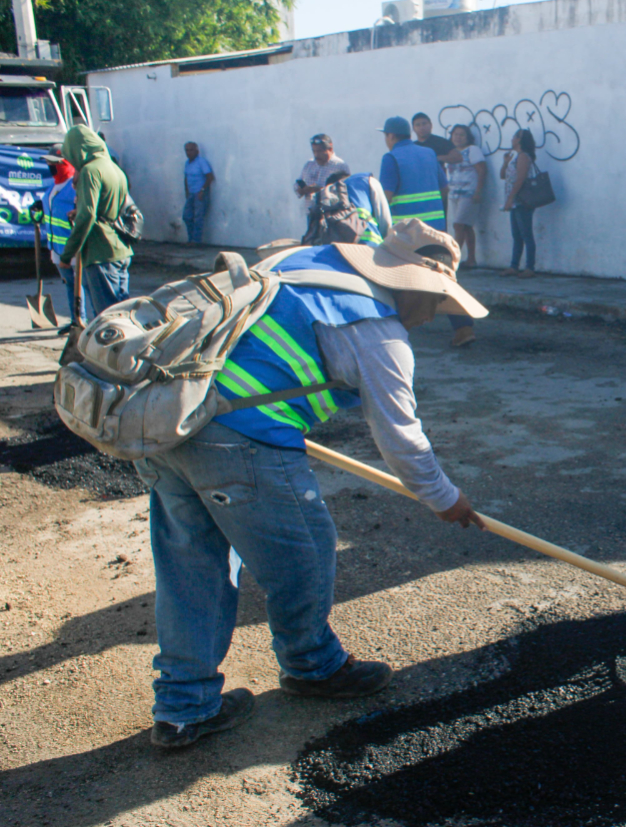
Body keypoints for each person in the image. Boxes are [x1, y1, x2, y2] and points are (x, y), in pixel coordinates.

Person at [138, 219, 487, 749]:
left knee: (194, 566)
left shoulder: (304, 263)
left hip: (168, 421)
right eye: (437, 301)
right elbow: (402, 439)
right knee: (306, 548)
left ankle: (184, 706)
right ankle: (313, 666)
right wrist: (445, 499)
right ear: (416, 286)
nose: (434, 313)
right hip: (239, 437)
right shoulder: (377, 328)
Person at [379, 116, 475, 347]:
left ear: (391, 136)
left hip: (406, 233)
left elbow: (385, 197)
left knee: (393, 280)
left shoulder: (391, 158)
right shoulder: (429, 154)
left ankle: (394, 333)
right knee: (443, 278)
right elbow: (444, 188)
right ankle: (464, 329)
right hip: (435, 229)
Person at [60, 126, 131, 317]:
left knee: (108, 320)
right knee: (123, 315)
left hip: (101, 252)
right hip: (120, 249)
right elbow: (108, 207)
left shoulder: (90, 171)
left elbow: (88, 215)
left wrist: (67, 255)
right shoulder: (114, 168)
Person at [39, 146, 86, 327]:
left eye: (55, 163)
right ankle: (75, 319)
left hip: (73, 246)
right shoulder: (54, 185)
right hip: (57, 247)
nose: (50, 166)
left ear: (66, 163)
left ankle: (82, 319)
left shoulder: (73, 186)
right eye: (49, 162)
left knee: (79, 286)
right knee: (69, 284)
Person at [446, 123, 487, 269]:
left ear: (468, 137)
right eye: (455, 134)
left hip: (469, 193)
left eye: (462, 134)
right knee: (467, 227)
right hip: (454, 193)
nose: (458, 137)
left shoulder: (473, 150)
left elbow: (482, 170)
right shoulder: (450, 152)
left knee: (458, 224)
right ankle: (471, 259)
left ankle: (453, 259)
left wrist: (479, 191)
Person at [501, 129, 539, 278]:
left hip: (522, 200)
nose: (511, 139)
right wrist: (505, 163)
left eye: (513, 136)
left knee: (526, 234)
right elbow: (503, 176)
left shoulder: (523, 157)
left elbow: (521, 179)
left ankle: (530, 267)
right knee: (517, 235)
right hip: (516, 201)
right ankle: (514, 266)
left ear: (519, 139)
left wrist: (511, 198)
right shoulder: (515, 157)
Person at [296, 133, 350, 233]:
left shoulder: (340, 166)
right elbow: (297, 184)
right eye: (314, 151)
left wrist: (321, 190)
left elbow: (345, 192)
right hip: (312, 214)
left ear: (330, 149)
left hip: (332, 216)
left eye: (320, 151)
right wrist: (301, 190)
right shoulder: (309, 165)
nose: (316, 155)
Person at [182, 141, 214, 244]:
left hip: (200, 194)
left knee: (198, 218)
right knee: (187, 216)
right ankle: (191, 239)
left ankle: (196, 241)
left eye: (191, 150)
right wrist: (186, 191)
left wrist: (202, 190)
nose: (189, 152)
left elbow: (210, 177)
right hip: (191, 194)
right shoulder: (187, 163)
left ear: (197, 151)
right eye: (187, 150)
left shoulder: (201, 162)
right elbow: (186, 177)